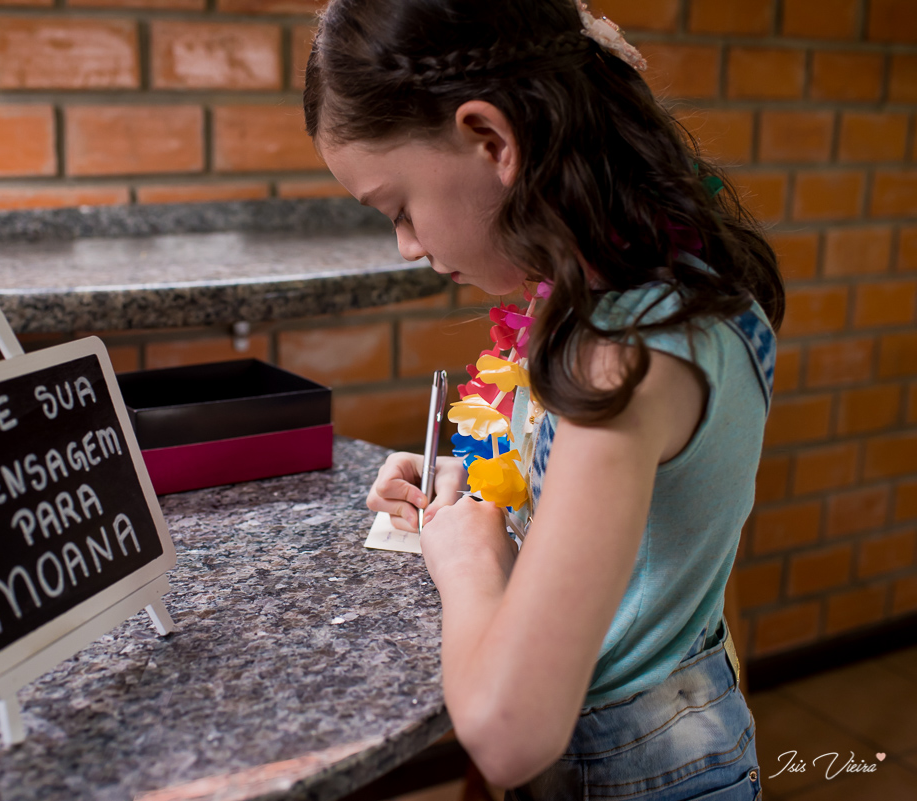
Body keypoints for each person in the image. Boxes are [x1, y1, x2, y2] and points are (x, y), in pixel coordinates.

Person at [304, 1, 784, 799]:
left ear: (490, 140)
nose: (409, 246)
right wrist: (465, 487)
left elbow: (508, 732)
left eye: (398, 208)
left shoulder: (620, 356)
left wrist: (467, 559)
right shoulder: (622, 291)